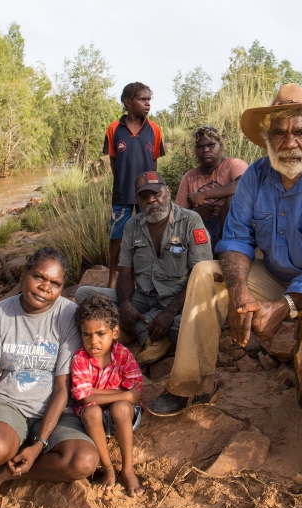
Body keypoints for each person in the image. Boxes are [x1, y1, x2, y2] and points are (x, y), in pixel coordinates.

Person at [147, 84, 302, 491]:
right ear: (267, 138)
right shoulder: (255, 176)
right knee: (206, 275)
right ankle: (191, 386)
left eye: (300, 132)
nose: (289, 141)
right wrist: (239, 293)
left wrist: (285, 306)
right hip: (276, 272)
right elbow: (235, 240)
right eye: (279, 133)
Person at [0, 248, 98, 508]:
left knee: (83, 461)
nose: (45, 288)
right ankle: (3, 455)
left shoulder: (69, 316)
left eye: (55, 284)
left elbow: (62, 387)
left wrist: (39, 444)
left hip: (56, 411)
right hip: (10, 403)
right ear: (24, 274)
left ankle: (0, 476)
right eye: (39, 277)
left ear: (62, 286)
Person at [75, 171, 213, 368]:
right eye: (144, 196)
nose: (151, 200)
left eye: (156, 193)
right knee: (83, 295)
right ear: (138, 200)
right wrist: (125, 305)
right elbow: (124, 273)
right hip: (144, 297)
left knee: (200, 324)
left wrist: (169, 312)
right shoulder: (132, 226)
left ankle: (141, 330)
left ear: (167, 191)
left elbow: (202, 277)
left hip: (180, 299)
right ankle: (150, 331)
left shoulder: (191, 221)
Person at [71, 294, 145, 496]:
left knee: (121, 408)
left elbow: (135, 395)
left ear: (115, 332)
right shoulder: (80, 358)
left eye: (100, 333)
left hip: (123, 417)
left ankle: (128, 469)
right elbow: (85, 399)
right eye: (87, 335)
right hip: (93, 421)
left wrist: (96, 393)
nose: (93, 341)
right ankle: (108, 468)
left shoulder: (123, 354)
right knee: (91, 412)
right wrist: (123, 394)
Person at [104, 82, 165, 288]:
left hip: (147, 195)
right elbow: (113, 159)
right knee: (116, 237)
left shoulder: (154, 129)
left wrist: (152, 188)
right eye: (142, 99)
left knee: (148, 235)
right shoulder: (114, 129)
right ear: (128, 101)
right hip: (121, 194)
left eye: (149, 100)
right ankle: (112, 279)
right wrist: (121, 182)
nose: (147, 104)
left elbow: (154, 161)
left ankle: (147, 279)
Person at [174, 126, 248, 250]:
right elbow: (178, 214)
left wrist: (204, 195)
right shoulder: (189, 177)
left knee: (233, 199)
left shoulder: (233, 164)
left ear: (220, 145)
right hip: (201, 228)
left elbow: (243, 186)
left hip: (231, 227)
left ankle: (229, 248)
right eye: (200, 147)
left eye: (211, 145)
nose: (206, 150)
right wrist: (196, 214)